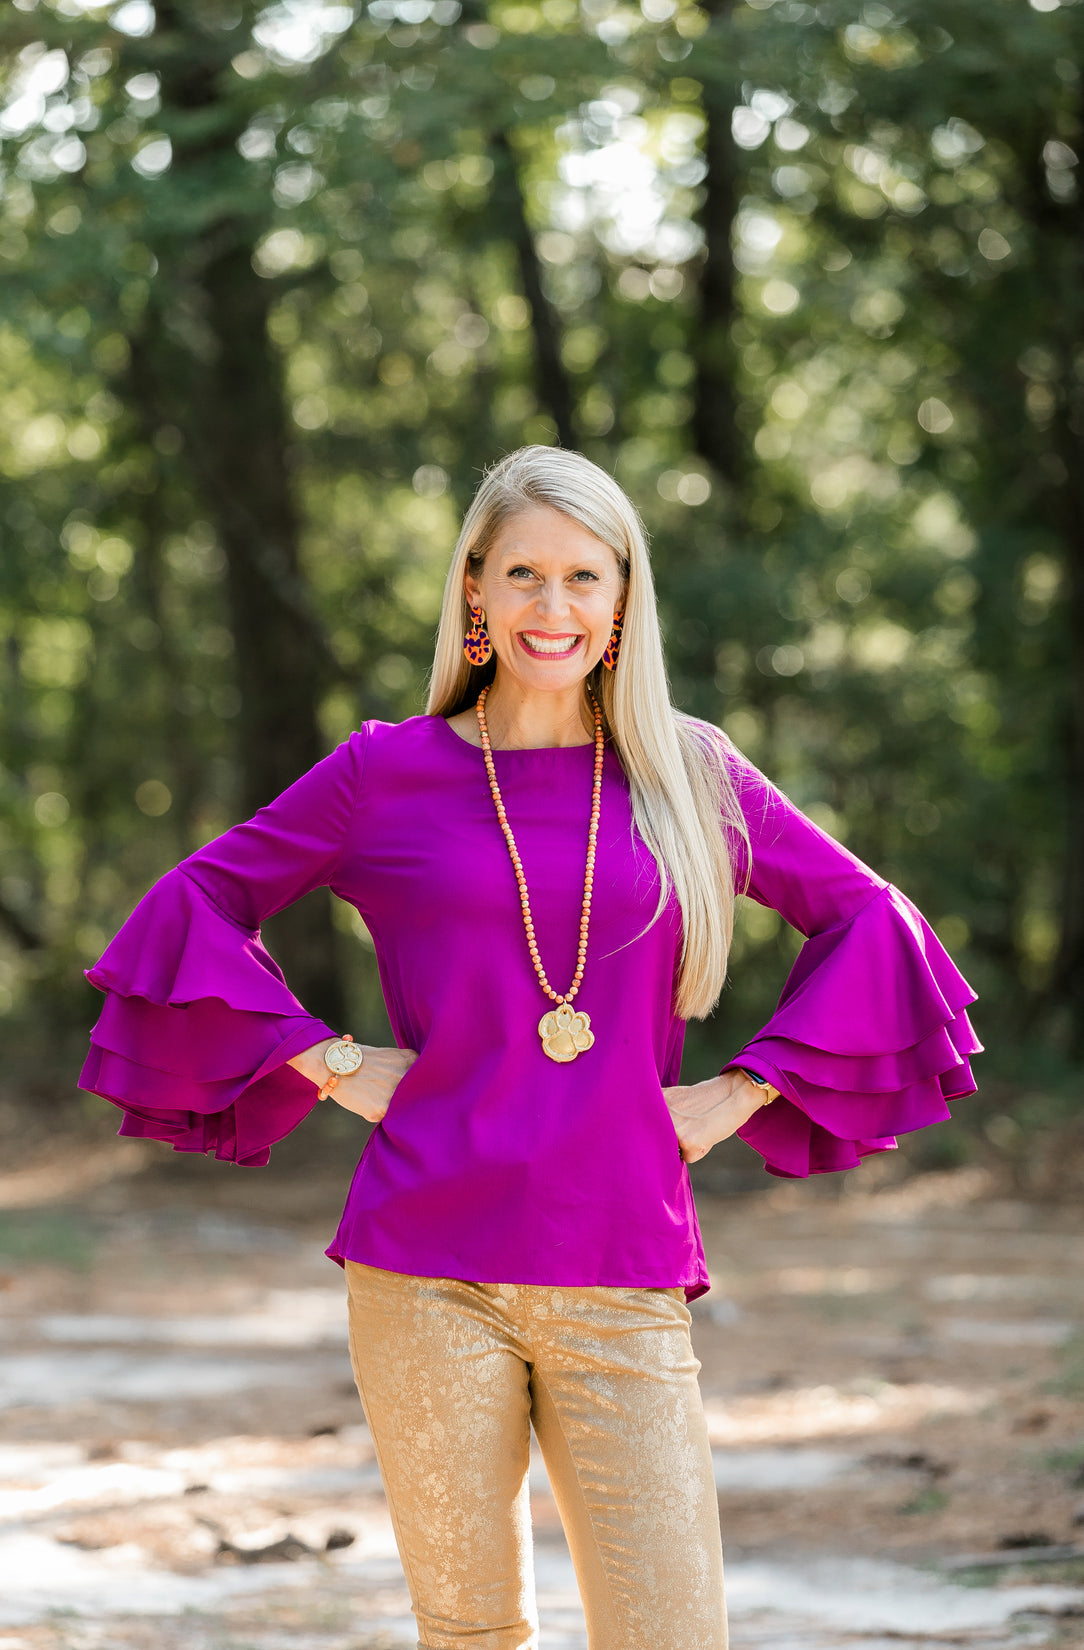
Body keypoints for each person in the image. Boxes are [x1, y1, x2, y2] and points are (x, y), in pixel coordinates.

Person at [80, 445, 980, 1650]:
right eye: (521, 574)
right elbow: (191, 905)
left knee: (669, 1634)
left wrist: (742, 1090)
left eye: (582, 577)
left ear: (621, 599)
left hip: (621, 1257)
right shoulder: (383, 774)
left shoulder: (687, 773)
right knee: (470, 1636)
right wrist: (326, 1060)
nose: (551, 607)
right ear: (474, 589)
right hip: (423, 1267)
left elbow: (873, 918)